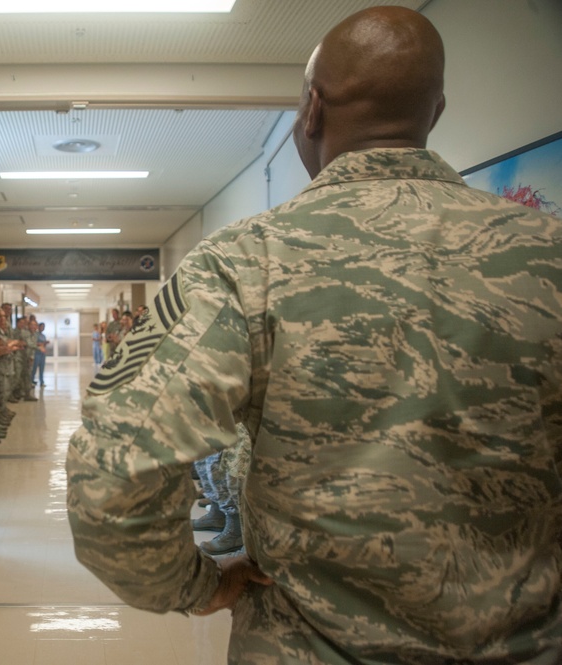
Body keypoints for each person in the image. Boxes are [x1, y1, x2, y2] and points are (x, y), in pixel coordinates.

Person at [67, 6, 562, 664]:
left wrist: (196, 585)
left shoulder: (245, 260)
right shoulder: (547, 252)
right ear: (434, 112)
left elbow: (113, 474)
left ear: (311, 109)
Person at [31, 322, 48, 387]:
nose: (42, 328)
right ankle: (31, 380)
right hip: (36, 353)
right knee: (34, 368)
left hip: (42, 354)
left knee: (42, 368)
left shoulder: (43, 336)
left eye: (43, 327)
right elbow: (34, 343)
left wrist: (44, 344)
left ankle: (42, 382)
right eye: (41, 327)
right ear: (38, 327)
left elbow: (43, 345)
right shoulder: (35, 335)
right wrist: (40, 344)